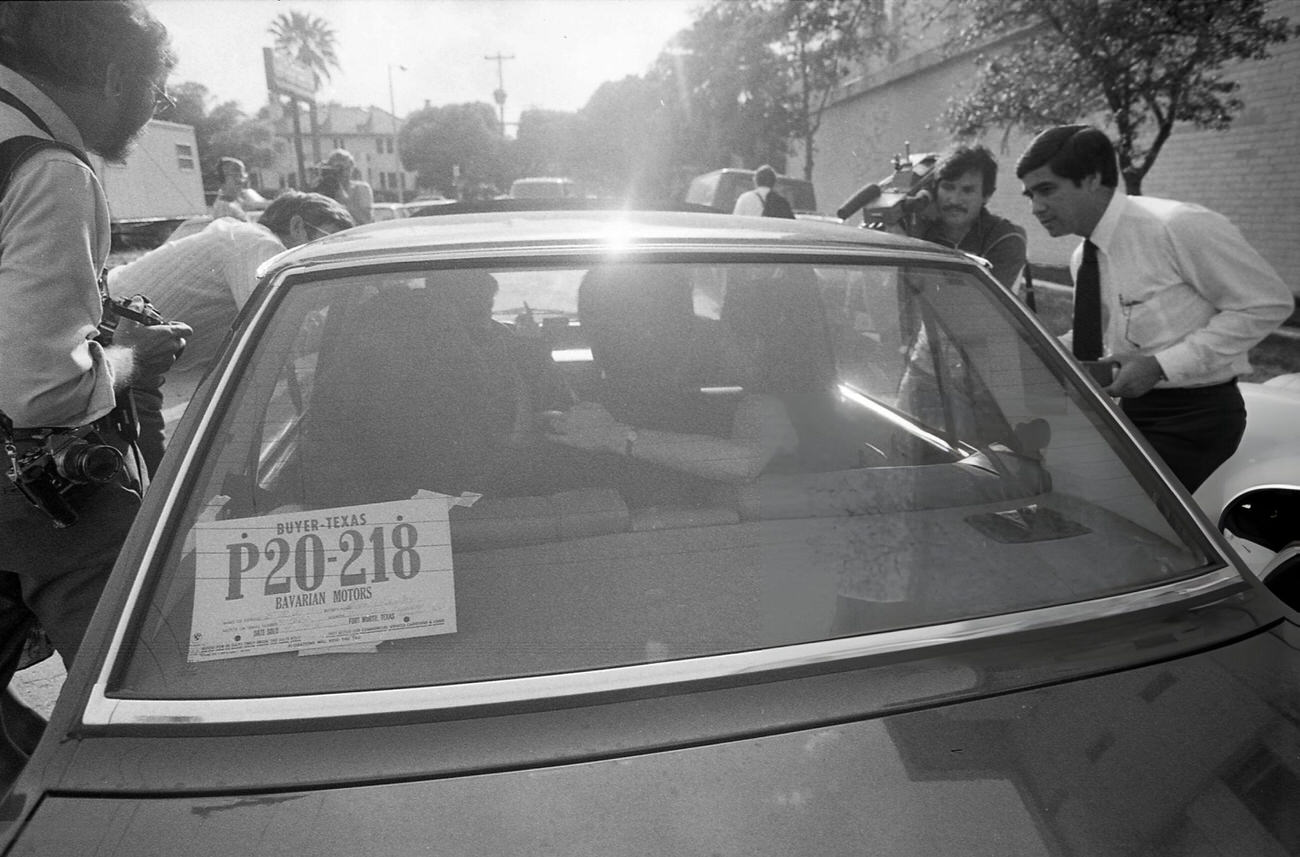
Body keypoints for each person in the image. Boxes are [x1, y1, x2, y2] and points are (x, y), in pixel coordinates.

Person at [0, 0, 191, 780]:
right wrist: (130, 358)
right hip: (42, 493)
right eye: (156, 91)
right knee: (146, 688)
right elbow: (41, 393)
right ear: (114, 73)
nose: (154, 111)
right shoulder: (47, 168)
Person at [1016, 124, 1294, 491]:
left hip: (1195, 418)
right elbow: (1099, 337)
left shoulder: (1178, 226)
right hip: (1127, 412)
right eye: (1030, 195)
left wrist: (1161, 366)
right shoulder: (1084, 257)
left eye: (1046, 190)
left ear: (1092, 179)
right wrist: (1035, 346)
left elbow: (1266, 304)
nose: (1037, 208)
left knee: (1133, 521)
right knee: (1074, 498)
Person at [109, 190, 354, 473]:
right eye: (329, 239)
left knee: (144, 462)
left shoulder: (246, 239)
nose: (329, 253)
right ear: (297, 226)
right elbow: (280, 333)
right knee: (146, 471)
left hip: (125, 338)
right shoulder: (260, 245)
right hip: (118, 336)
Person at [913, 144, 1027, 292]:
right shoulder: (921, 228)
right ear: (935, 190)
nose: (954, 200)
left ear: (986, 195)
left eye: (967, 190)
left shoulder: (1004, 238)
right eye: (948, 187)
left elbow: (978, 304)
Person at [312, 147, 373, 225]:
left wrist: (342, 196)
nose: (343, 172)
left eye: (346, 168)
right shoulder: (323, 188)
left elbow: (366, 219)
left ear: (352, 168)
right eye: (338, 168)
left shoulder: (361, 188)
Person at [209, 156, 268, 221]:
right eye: (236, 178)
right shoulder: (224, 208)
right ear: (223, 180)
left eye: (242, 177)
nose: (242, 182)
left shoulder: (234, 202)